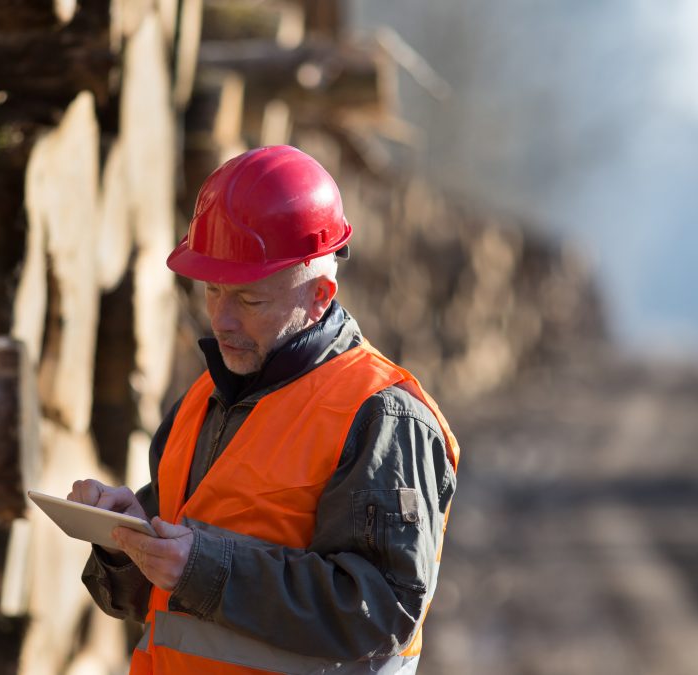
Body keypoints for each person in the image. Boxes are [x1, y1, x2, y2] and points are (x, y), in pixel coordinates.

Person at [70, 145, 459, 674]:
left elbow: (383, 611)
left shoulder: (382, 417)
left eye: (249, 300)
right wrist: (124, 540)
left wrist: (205, 569)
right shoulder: (203, 401)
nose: (222, 320)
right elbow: (162, 600)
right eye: (212, 291)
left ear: (320, 294)